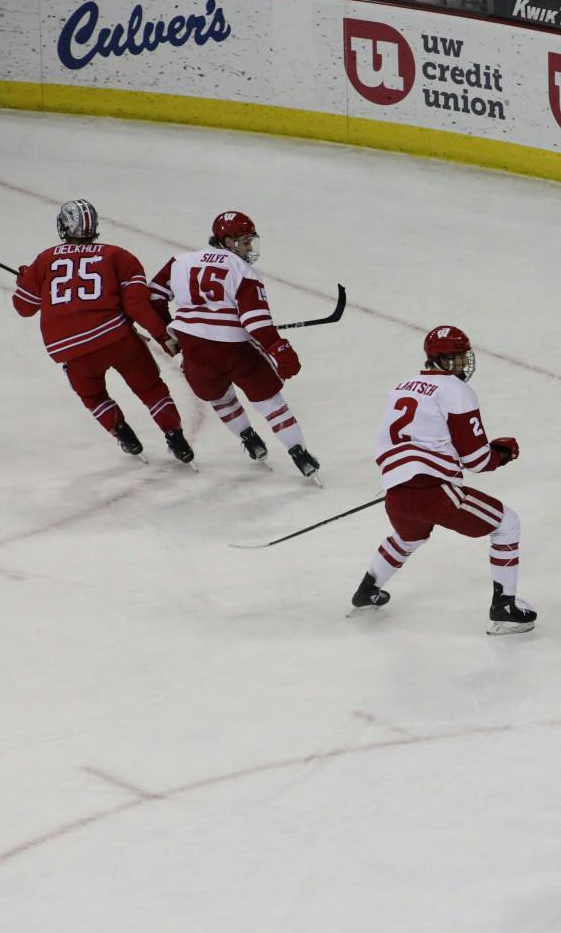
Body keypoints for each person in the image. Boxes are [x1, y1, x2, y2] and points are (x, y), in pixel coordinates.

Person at [349, 326, 533, 632]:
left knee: (410, 537)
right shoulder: (456, 391)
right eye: (456, 358)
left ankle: (367, 590)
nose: (462, 364)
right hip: (432, 490)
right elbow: (477, 460)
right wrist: (501, 454)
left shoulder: (401, 386)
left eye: (464, 357)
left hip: (395, 490)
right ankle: (505, 608)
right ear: (440, 359)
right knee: (507, 524)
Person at [13, 199, 193, 465]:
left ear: (64, 227)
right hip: (117, 339)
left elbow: (24, 307)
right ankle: (174, 434)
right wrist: (164, 336)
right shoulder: (119, 256)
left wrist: (26, 278)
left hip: (72, 350)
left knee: (93, 396)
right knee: (151, 388)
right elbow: (136, 305)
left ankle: (122, 432)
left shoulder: (45, 259)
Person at [149, 211, 318, 479]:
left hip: (195, 350)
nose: (249, 248)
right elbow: (256, 322)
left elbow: (153, 296)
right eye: (244, 242)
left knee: (220, 397)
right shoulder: (242, 270)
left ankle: (249, 439)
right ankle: (300, 455)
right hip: (236, 349)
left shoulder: (179, 262)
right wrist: (279, 349)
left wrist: (168, 333)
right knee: (270, 402)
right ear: (227, 241)